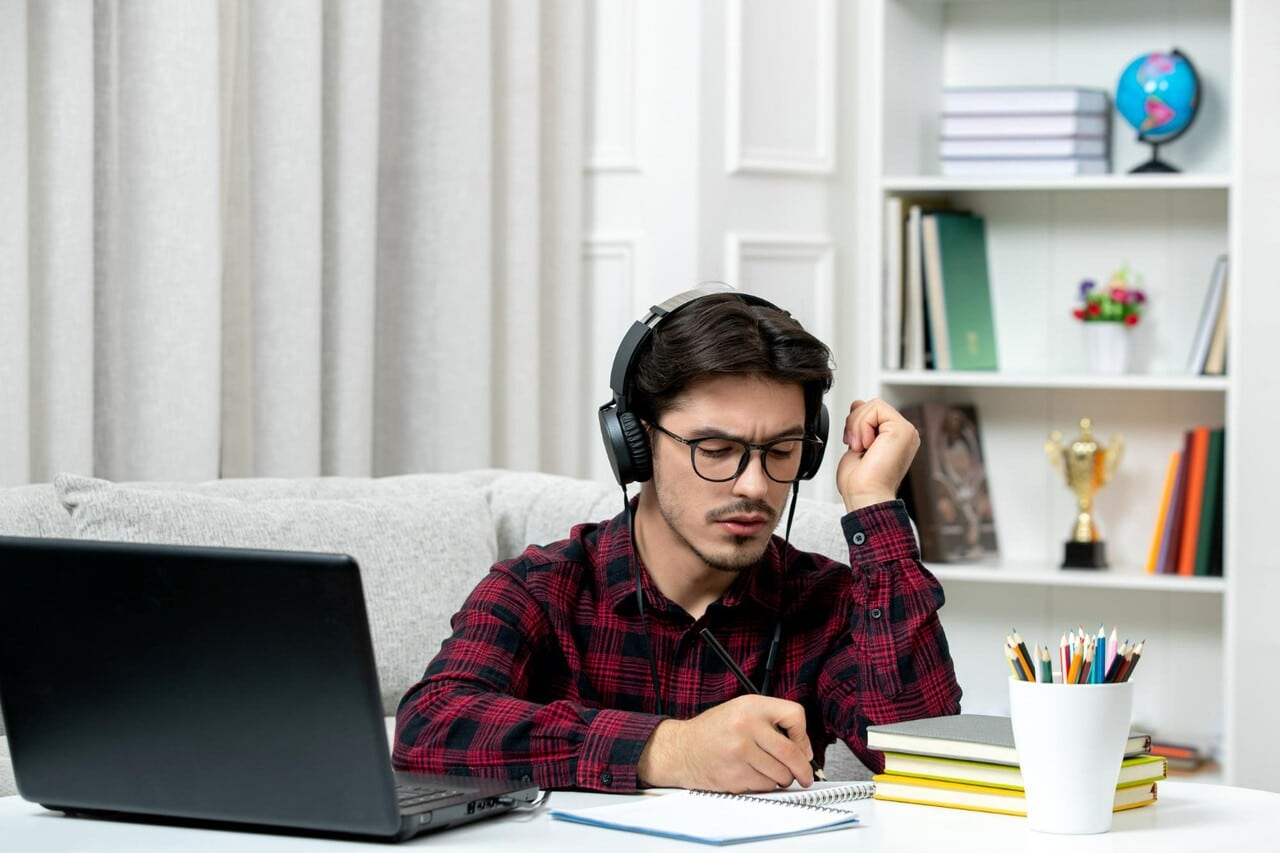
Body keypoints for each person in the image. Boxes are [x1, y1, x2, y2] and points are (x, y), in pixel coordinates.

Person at [393, 284, 962, 794]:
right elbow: (430, 727)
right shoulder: (541, 589)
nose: (755, 485)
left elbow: (929, 759)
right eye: (714, 451)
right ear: (633, 443)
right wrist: (669, 750)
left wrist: (875, 504)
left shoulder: (828, 603)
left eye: (782, 451)